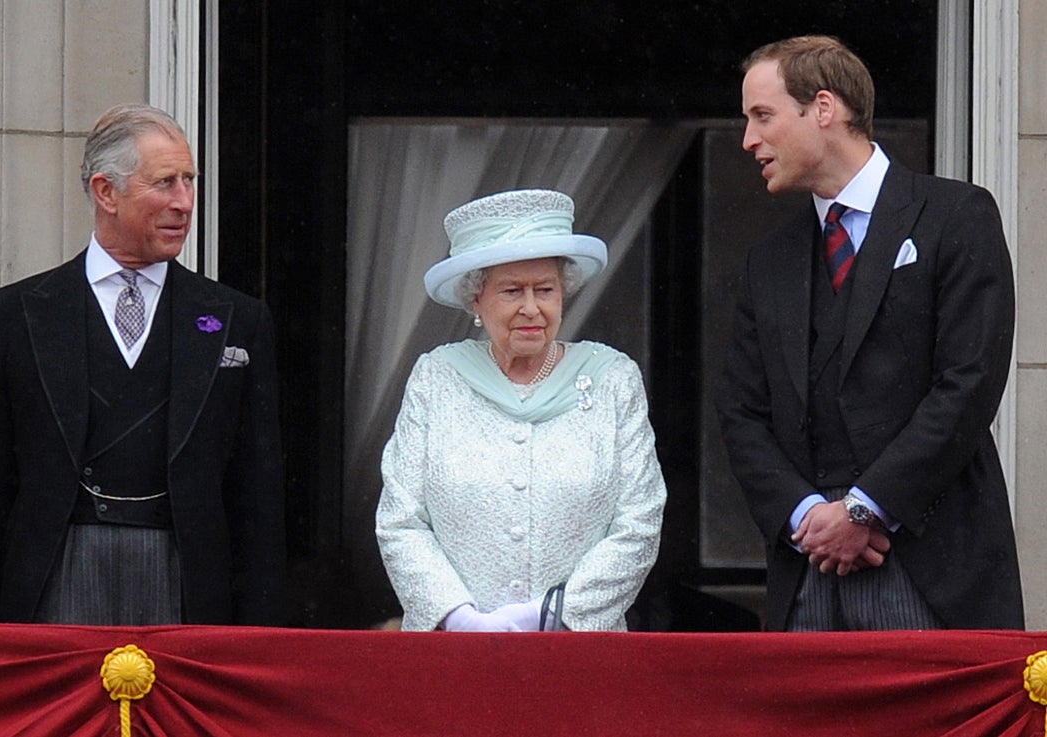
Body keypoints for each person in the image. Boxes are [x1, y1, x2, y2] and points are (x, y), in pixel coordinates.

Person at [718, 35, 1022, 631]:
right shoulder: (768, 261)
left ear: (824, 109)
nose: (749, 140)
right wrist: (810, 518)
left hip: (930, 569)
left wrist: (865, 510)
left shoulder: (957, 216)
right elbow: (740, 413)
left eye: (763, 116)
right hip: (808, 574)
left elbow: (969, 381)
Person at [0, 103, 286, 626]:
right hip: (55, 578)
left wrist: (262, 637)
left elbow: (259, 497)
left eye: (189, 181)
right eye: (164, 183)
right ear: (105, 192)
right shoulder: (17, 314)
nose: (183, 202)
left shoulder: (239, 321)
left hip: (189, 584)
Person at [376, 189, 666, 631]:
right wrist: (458, 619)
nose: (531, 308)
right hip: (453, 654)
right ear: (476, 300)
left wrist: (548, 616)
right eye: (512, 291)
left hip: (577, 655)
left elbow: (640, 521)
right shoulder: (436, 379)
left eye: (545, 290)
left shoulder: (613, 379)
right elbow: (401, 521)